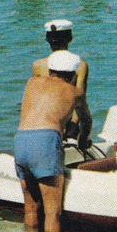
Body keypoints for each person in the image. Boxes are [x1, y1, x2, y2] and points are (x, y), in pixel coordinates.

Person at [14, 50, 84, 232]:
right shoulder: (75, 93)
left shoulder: (31, 82)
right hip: (45, 142)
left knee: (30, 209)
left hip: (21, 140)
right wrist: (83, 139)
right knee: (53, 214)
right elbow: (86, 121)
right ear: (74, 74)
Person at [43, 19, 92, 148]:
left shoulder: (37, 65)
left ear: (47, 39)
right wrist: (72, 131)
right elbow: (79, 101)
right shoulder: (80, 65)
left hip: (43, 125)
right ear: (70, 38)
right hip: (68, 126)